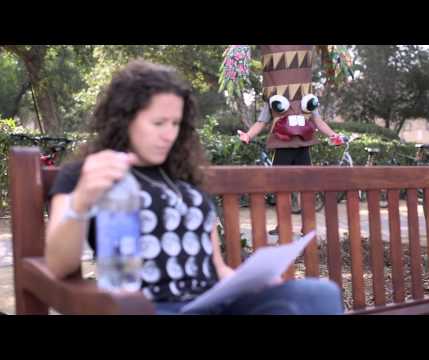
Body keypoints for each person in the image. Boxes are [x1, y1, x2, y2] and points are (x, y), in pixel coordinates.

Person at [45, 59, 343, 315]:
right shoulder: (89, 172)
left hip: (213, 302)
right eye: (158, 122)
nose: (168, 134)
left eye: (176, 124)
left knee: (318, 294)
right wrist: (81, 201)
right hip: (147, 306)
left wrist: (253, 281)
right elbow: (58, 264)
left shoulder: (184, 175)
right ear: (124, 120)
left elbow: (215, 266)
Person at [229, 45, 346, 235]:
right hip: (282, 147)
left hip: (302, 146)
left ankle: (307, 227)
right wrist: (248, 135)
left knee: (304, 188)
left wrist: (333, 135)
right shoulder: (273, 100)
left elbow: (317, 120)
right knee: (281, 187)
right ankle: (283, 225)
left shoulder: (306, 99)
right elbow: (261, 122)